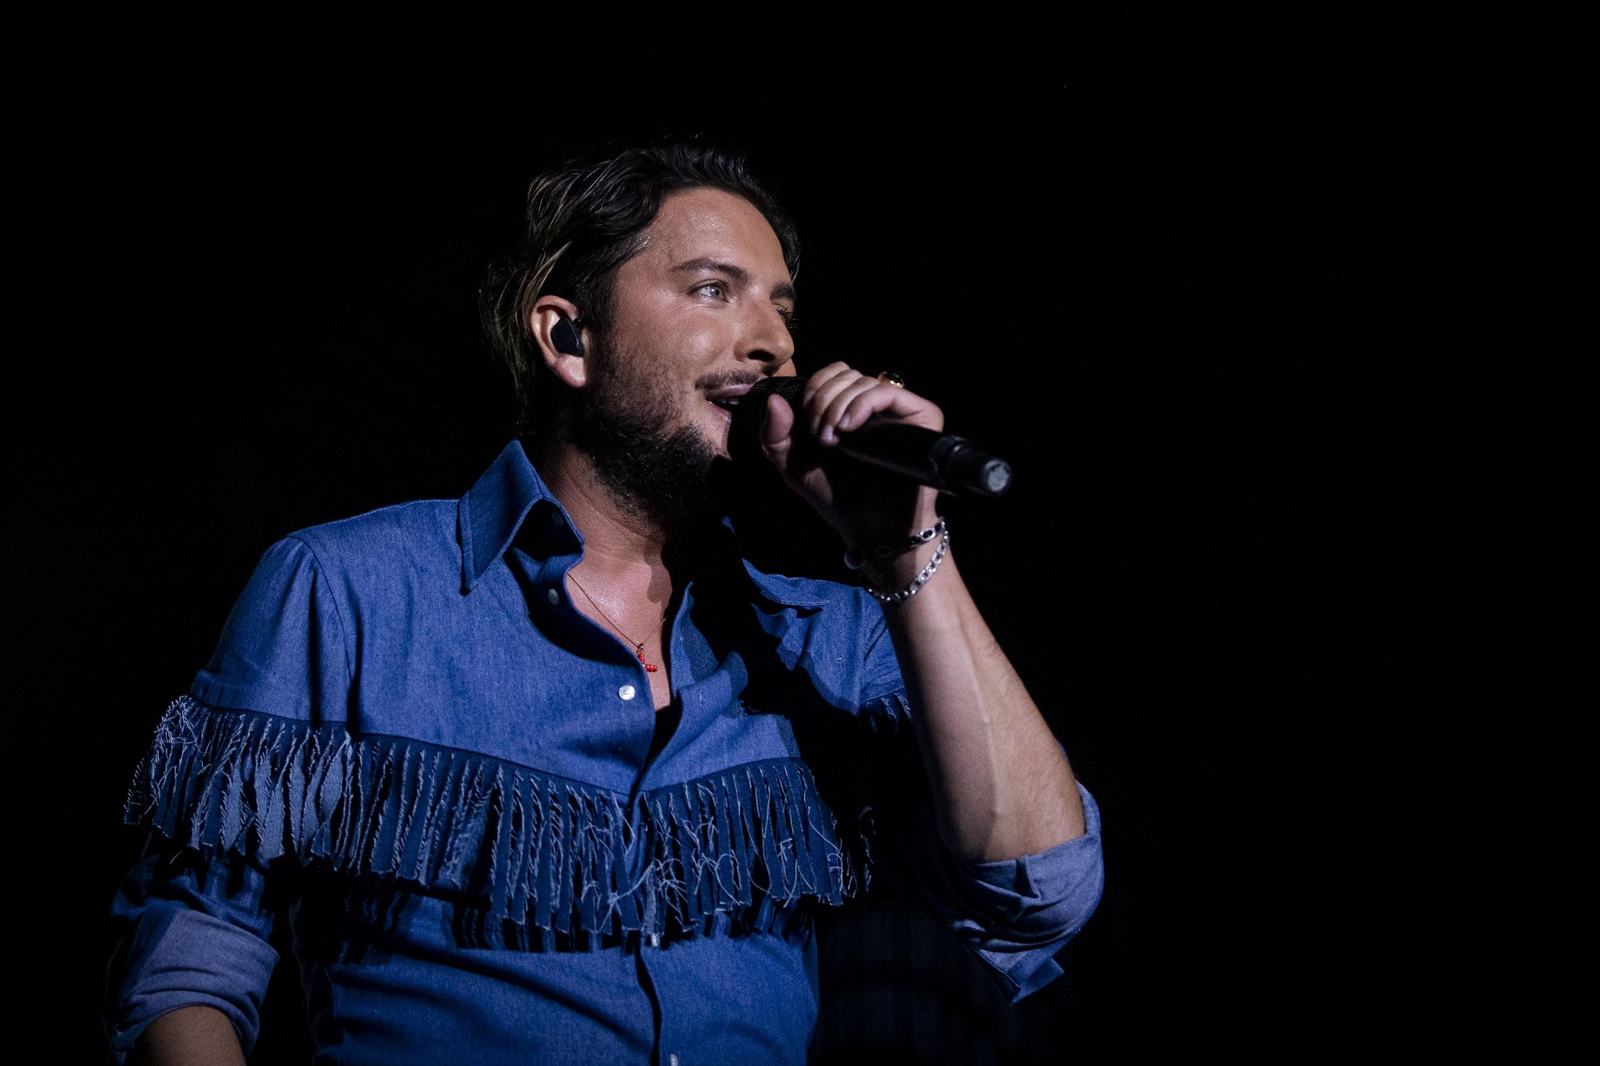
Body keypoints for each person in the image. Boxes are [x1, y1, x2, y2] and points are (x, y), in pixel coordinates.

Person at [105, 141, 1104, 1064]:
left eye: (783, 308)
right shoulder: (347, 591)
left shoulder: (825, 636)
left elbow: (1040, 890)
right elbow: (189, 962)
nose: (772, 345)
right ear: (568, 337)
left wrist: (903, 551)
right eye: (713, 290)